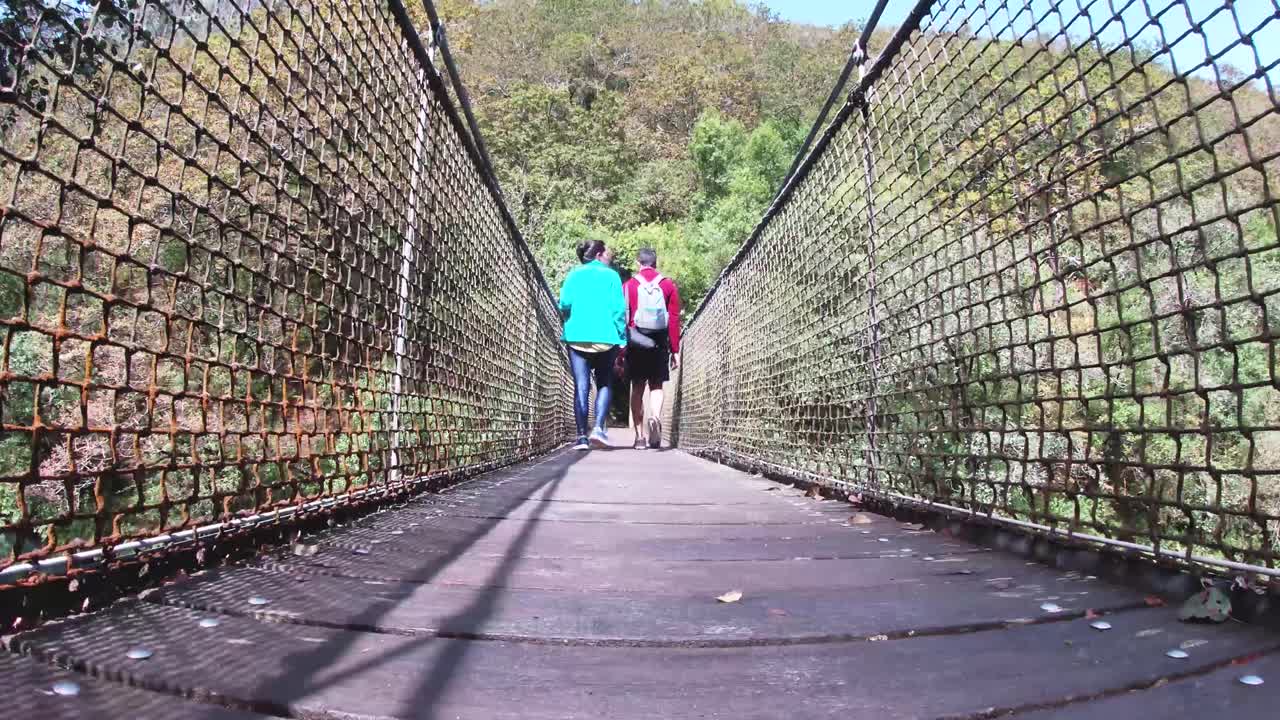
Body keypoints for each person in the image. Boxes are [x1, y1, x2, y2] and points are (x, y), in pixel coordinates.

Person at [558, 239, 627, 450]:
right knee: (604, 382)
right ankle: (598, 428)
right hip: (606, 339)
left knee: (581, 386)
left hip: (577, 337)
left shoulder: (574, 274)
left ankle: (581, 438)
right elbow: (618, 310)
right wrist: (622, 338)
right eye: (607, 253)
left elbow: (564, 304)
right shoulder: (612, 276)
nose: (609, 256)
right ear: (598, 255)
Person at [622, 247, 680, 449]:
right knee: (657, 385)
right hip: (659, 341)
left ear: (639, 263)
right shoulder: (668, 285)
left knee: (637, 386)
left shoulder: (629, 285)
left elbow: (623, 318)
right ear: (655, 263)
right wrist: (675, 350)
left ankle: (639, 437)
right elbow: (673, 319)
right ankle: (655, 416)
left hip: (636, 340)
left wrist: (621, 349)